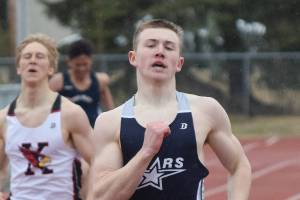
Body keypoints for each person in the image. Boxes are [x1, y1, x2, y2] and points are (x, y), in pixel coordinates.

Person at [88, 19, 252, 200]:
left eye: (169, 47)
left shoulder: (205, 110)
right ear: (133, 58)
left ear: (179, 63)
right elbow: (101, 197)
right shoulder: (110, 122)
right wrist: (146, 153)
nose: (160, 52)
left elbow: (239, 165)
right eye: (151, 45)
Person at [0, 33, 94, 200]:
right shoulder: (4, 118)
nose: (33, 60)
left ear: (51, 68)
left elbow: (98, 162)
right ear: (19, 67)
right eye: (27, 56)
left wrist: (89, 194)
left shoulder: (70, 113)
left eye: (40, 56)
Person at [49, 39, 114, 127]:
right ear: (69, 62)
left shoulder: (100, 81)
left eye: (85, 64)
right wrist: (59, 102)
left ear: (91, 61)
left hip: (93, 130)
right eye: (78, 65)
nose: (81, 68)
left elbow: (111, 110)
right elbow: (45, 105)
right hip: (67, 130)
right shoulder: (58, 81)